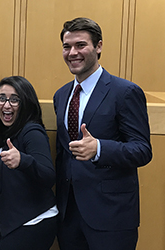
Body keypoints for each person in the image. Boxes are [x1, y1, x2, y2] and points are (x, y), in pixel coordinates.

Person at [53, 17, 152, 250]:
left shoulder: (125, 92)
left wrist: (99, 149)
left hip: (111, 216)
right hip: (69, 215)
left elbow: (142, 150)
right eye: (67, 47)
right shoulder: (61, 95)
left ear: (98, 46)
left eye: (80, 45)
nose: (72, 53)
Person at [0, 76, 58, 250]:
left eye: (14, 100)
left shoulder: (32, 132)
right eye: (2, 98)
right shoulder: (8, 130)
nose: (6, 105)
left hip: (34, 220)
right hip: (12, 220)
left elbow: (48, 175)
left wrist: (23, 160)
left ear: (26, 103)